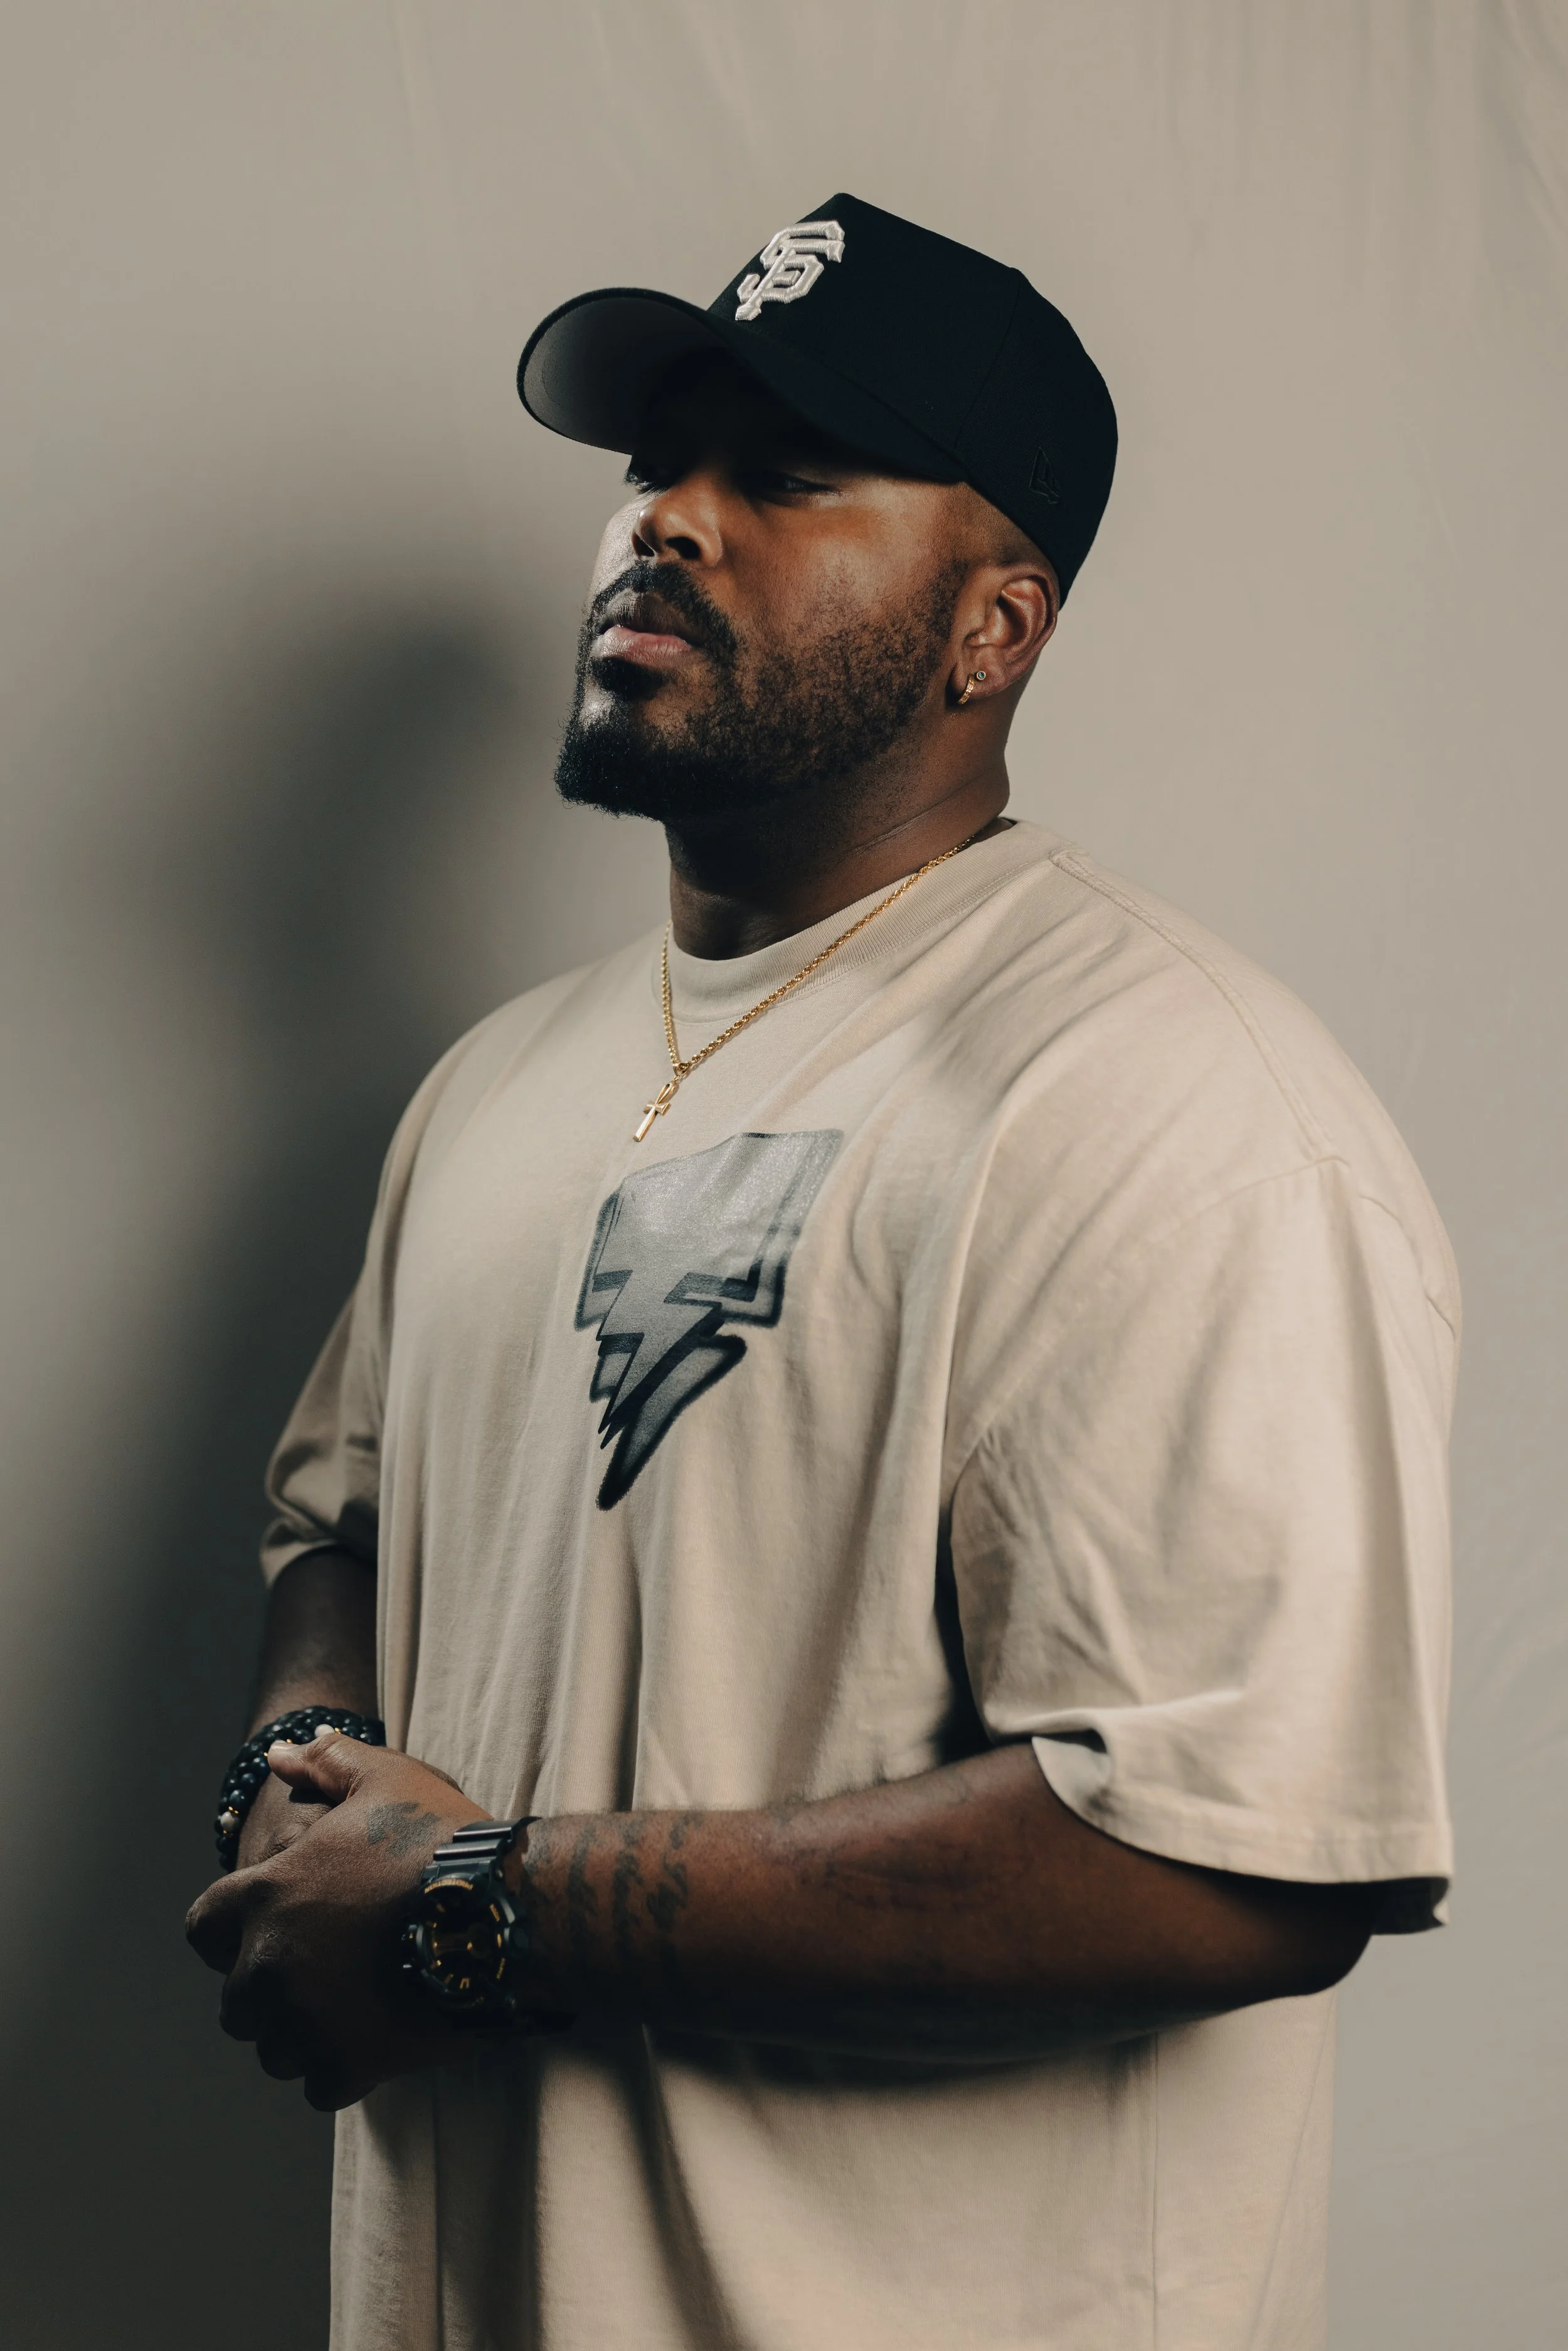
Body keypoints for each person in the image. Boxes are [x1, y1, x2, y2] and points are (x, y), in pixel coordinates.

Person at [186, 194, 1457, 2351]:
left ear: (993, 626)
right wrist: (307, 1793)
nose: (667, 519)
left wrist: (477, 1906)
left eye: (783, 475)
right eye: (653, 465)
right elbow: (345, 1515)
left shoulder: (1163, 1099)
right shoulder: (495, 1087)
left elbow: (1236, 1852)